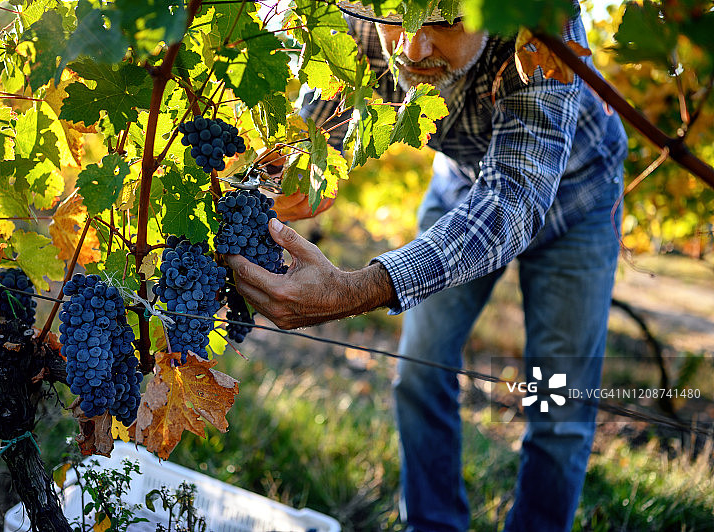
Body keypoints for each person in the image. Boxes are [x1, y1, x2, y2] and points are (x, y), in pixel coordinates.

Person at [225, 1, 627, 530]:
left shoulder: (541, 26)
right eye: (398, 17)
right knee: (419, 372)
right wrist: (284, 175)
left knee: (558, 405)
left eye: (446, 23)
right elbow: (319, 124)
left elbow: (514, 200)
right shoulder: (359, 19)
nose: (411, 49)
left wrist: (362, 286)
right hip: (462, 186)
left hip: (578, 203)